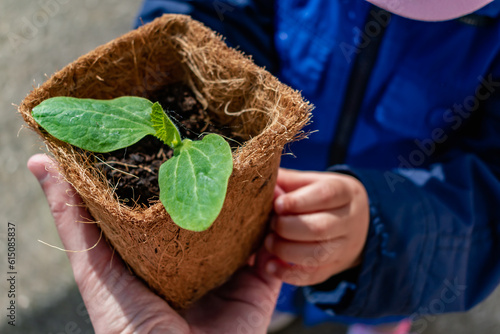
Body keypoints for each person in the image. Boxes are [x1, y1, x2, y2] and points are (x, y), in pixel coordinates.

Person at [30, 0, 500, 333]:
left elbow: (488, 211)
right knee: (266, 278)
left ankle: (375, 315)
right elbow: (204, 10)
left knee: (380, 296)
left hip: (394, 243)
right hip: (253, 242)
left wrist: (384, 230)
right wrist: (190, 62)